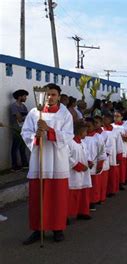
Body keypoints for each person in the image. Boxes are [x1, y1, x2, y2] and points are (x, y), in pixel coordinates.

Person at [21, 83, 74, 244]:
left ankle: (58, 228)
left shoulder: (65, 114)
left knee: (57, 197)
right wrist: (36, 135)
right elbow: (25, 132)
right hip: (40, 159)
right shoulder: (34, 113)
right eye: (48, 94)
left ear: (59, 96)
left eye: (53, 94)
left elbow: (68, 135)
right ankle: (38, 229)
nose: (50, 97)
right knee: (38, 197)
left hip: (57, 160)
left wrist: (49, 130)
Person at [67, 121, 93, 221]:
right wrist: (77, 165)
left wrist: (89, 161)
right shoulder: (69, 142)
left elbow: (86, 154)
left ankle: (82, 211)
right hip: (73, 173)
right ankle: (67, 215)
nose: (86, 134)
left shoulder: (83, 143)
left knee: (84, 192)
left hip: (84, 172)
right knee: (71, 195)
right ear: (80, 131)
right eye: (85, 132)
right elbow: (67, 157)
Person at [82, 117, 106, 211]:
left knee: (93, 184)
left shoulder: (98, 137)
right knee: (84, 184)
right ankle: (84, 202)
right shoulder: (81, 137)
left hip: (94, 164)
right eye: (86, 126)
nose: (88, 128)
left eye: (89, 126)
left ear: (94, 126)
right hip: (83, 164)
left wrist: (100, 164)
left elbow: (102, 151)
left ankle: (92, 202)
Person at [102, 113, 122, 197]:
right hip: (104, 156)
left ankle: (111, 190)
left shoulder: (115, 131)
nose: (104, 120)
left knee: (112, 174)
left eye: (106, 119)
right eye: (103, 119)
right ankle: (104, 192)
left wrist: (119, 155)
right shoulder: (101, 130)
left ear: (110, 120)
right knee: (104, 174)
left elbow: (119, 144)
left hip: (113, 155)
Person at [10, 89, 29, 171]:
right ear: (19, 97)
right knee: (15, 147)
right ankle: (15, 166)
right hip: (16, 129)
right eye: (24, 96)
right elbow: (20, 119)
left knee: (22, 147)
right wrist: (25, 117)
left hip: (23, 128)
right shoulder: (14, 106)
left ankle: (24, 164)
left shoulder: (23, 106)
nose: (26, 98)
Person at [113, 111, 127, 190]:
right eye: (115, 116)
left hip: (122, 149)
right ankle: (114, 183)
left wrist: (126, 138)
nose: (116, 118)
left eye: (118, 116)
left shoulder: (125, 127)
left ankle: (121, 182)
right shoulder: (111, 126)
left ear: (121, 117)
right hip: (113, 150)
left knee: (121, 167)